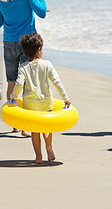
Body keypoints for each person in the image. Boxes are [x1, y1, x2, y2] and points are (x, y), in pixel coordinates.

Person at [0, 0, 48, 136]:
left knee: (11, 81)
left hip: (9, 41)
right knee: (26, 82)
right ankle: (25, 125)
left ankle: (15, 123)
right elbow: (41, 12)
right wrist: (43, 0)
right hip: (28, 42)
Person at [10, 32, 71, 163]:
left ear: (25, 52)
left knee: (35, 131)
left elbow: (19, 83)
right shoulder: (47, 64)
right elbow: (56, 82)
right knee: (46, 127)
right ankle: (49, 146)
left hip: (30, 104)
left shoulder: (23, 67)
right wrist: (65, 98)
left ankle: (38, 157)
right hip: (46, 103)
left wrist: (13, 97)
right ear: (39, 50)